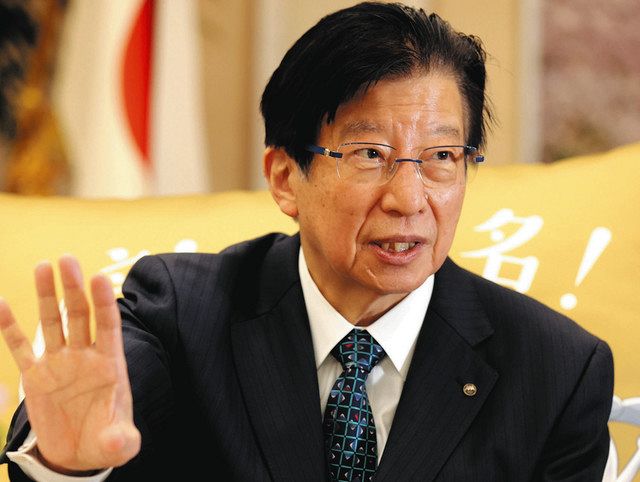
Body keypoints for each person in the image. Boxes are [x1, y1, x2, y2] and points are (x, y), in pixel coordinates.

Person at [0, 2, 614, 481]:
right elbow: (89, 426)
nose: (409, 199)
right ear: (285, 177)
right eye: (370, 154)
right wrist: (66, 465)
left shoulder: (556, 370)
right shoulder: (181, 315)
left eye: (441, 157)